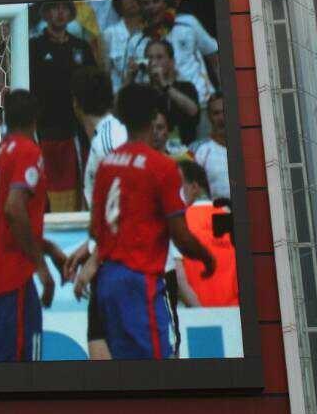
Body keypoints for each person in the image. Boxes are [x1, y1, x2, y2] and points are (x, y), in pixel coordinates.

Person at [76, 84, 216, 360]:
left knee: (122, 369)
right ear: (153, 117)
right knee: (155, 369)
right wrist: (207, 257)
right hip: (140, 281)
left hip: (108, 280)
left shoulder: (107, 164)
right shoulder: (162, 167)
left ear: (120, 116)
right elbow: (181, 236)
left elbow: (95, 228)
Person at [0, 90, 67, 362]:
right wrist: (41, 267)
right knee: (24, 378)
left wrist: (49, 248)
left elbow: (2, 225)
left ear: (5, 118)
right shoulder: (28, 151)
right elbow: (14, 209)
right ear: (36, 119)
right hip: (11, 284)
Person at [64, 67, 127, 360]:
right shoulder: (105, 138)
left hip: (126, 264)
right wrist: (89, 247)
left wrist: (94, 260)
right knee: (98, 342)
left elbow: (127, 207)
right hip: (111, 257)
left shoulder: (110, 142)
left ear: (75, 104)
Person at [29, 0, 96, 212]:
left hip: (74, 131)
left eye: (64, 8)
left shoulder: (81, 47)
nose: (59, 12)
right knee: (43, 183)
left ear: (71, 13)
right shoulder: (34, 47)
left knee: (77, 184)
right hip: (43, 129)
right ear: (45, 13)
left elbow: (93, 87)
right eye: (54, 8)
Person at [170, 160, 239, 308]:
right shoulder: (231, 218)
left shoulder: (178, 223)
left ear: (194, 187)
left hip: (198, 315)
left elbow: (179, 279)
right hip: (235, 313)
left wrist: (204, 314)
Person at [129, 39, 201, 146]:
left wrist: (165, 85)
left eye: (159, 57)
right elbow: (118, 114)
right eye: (149, 58)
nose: (154, 62)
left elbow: (193, 111)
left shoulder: (186, 87)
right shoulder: (141, 91)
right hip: (150, 150)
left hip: (183, 149)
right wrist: (129, 79)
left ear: (172, 62)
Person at [167, 0, 220, 107]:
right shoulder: (144, 34)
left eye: (156, 1)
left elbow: (213, 58)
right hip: (170, 103)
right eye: (146, 3)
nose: (151, 7)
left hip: (202, 98)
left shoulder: (188, 22)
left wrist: (223, 91)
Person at [190, 92, 230, 201]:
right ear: (209, 116)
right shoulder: (195, 149)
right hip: (212, 209)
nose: (221, 118)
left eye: (225, 111)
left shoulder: (246, 147)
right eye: (216, 113)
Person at [102, 0, 147, 93]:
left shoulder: (151, 31)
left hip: (147, 91)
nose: (132, 0)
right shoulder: (110, 33)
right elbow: (106, 71)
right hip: (119, 94)